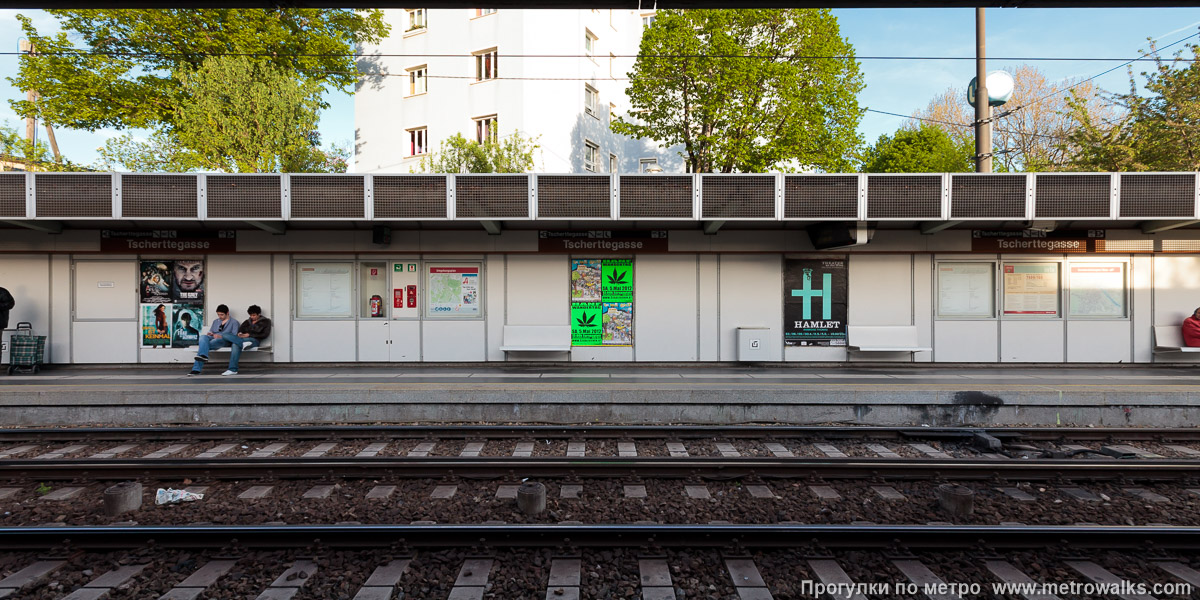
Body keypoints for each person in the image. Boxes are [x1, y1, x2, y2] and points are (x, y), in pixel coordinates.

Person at [219, 304, 272, 376]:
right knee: (225, 335)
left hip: (254, 341)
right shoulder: (247, 321)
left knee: (235, 344)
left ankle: (232, 369)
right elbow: (240, 330)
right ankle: (242, 344)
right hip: (243, 340)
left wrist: (249, 335)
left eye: (254, 315)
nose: (252, 317)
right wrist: (240, 334)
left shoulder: (266, 321)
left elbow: (265, 334)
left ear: (259, 314)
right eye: (251, 315)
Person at [188, 304, 239, 376]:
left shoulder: (234, 322)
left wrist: (221, 336)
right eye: (218, 315)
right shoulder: (216, 321)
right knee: (203, 337)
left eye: (222, 315)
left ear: (227, 313)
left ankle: (196, 369)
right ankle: (203, 356)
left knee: (206, 345)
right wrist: (210, 333)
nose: (220, 316)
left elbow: (234, 336)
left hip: (224, 340)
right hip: (213, 337)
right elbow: (212, 331)